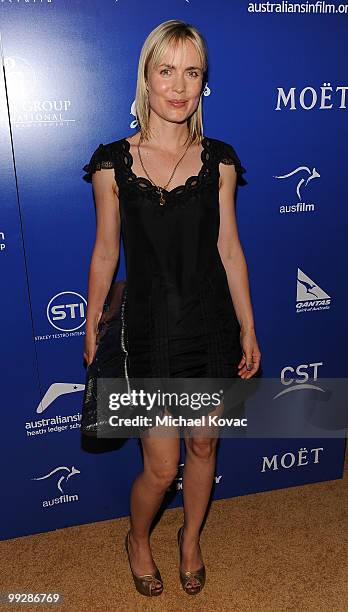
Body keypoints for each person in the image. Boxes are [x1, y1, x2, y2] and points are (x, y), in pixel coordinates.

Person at [83, 19, 261, 597]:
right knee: (161, 469)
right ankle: (138, 539)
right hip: (149, 331)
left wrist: (249, 329)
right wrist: (92, 322)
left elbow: (230, 251)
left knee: (204, 444)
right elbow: (107, 251)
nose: (179, 87)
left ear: (203, 81)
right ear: (147, 78)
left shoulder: (220, 162)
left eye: (192, 72)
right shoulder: (113, 164)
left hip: (209, 325)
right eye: (167, 71)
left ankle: (190, 539)